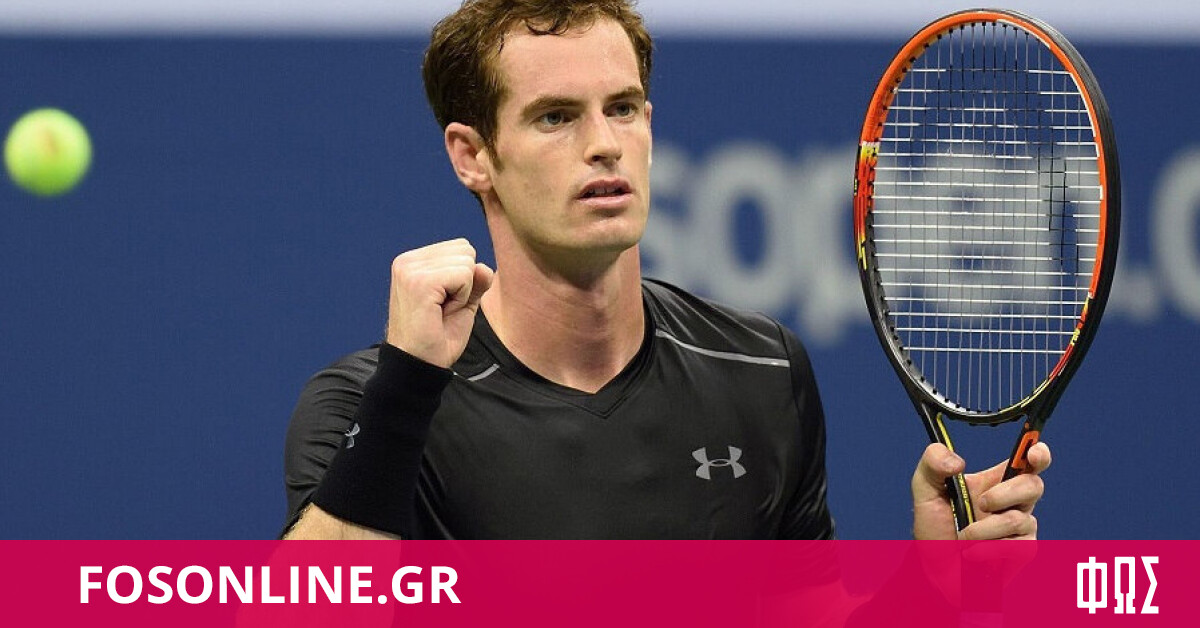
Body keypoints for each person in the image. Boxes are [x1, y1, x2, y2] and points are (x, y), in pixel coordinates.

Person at [282, 0, 1049, 541]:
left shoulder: (759, 371)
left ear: (648, 124)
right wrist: (404, 395)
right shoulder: (369, 406)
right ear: (472, 156)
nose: (604, 144)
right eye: (556, 117)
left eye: (622, 108)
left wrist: (930, 590)